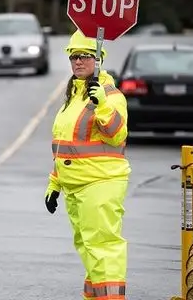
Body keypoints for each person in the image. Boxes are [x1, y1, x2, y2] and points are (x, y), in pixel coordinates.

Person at [44, 29, 131, 300]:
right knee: (87, 246)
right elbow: (64, 144)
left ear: (99, 59)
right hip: (75, 185)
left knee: (103, 246)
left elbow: (117, 134)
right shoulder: (74, 95)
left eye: (85, 56)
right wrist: (54, 183)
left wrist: (102, 105)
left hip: (100, 183)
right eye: (73, 57)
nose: (78, 62)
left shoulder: (111, 95)